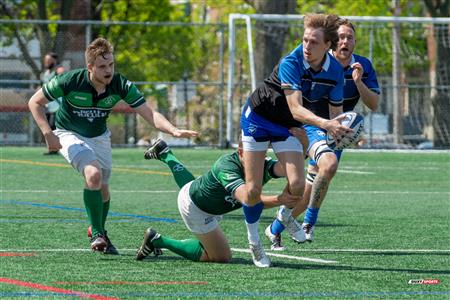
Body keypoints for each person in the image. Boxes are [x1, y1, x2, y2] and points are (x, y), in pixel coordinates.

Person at [28, 38, 197, 254]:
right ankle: (98, 233)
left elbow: (148, 112)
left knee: (104, 189)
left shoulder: (120, 84)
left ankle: (99, 230)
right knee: (93, 175)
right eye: (102, 66)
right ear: (90, 67)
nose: (108, 71)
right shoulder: (69, 81)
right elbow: (34, 102)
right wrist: (47, 134)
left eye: (111, 65)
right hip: (68, 133)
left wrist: (173, 130)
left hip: (99, 137)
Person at [241, 13, 351, 264]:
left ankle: (284, 218)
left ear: (328, 46)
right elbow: (296, 108)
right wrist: (325, 124)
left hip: (286, 126)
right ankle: (254, 243)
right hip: (258, 119)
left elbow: (336, 114)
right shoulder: (291, 61)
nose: (307, 46)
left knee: (299, 185)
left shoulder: (335, 71)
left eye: (314, 42)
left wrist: (342, 130)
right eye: (304, 40)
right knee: (253, 190)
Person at [272, 19, 380, 245]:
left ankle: (291, 225)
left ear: (355, 42)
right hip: (309, 124)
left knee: (317, 181)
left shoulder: (363, 65)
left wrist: (359, 83)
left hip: (333, 126)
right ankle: (286, 222)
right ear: (331, 43)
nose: (345, 42)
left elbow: (374, 104)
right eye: (341, 37)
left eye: (349, 37)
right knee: (301, 178)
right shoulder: (315, 63)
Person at [136, 138, 299, 267]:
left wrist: (302, 144)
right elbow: (248, 199)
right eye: (253, 154)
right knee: (221, 257)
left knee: (191, 187)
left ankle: (165, 153)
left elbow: (290, 167)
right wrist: (280, 200)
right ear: (241, 152)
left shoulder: (262, 164)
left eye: (261, 154)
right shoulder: (227, 166)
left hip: (203, 196)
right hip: (196, 210)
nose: (258, 160)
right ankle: (157, 240)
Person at [41, 52, 65, 155]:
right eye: (45, 60)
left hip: (59, 106)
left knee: (54, 127)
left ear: (54, 61)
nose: (46, 62)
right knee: (49, 127)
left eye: (48, 60)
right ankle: (54, 148)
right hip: (49, 106)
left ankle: (56, 148)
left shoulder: (59, 71)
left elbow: (64, 79)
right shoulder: (45, 73)